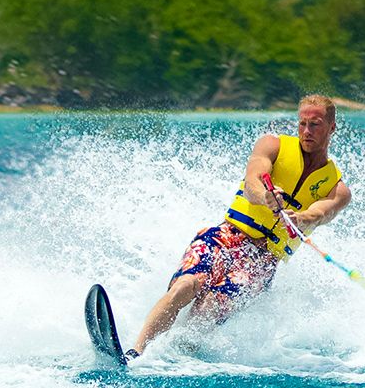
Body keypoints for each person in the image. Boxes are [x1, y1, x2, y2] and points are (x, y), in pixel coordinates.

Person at [126, 94, 352, 358]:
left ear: (332, 127)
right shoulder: (273, 145)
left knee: (206, 312)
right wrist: (265, 196)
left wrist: (302, 218)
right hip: (226, 237)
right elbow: (253, 180)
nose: (306, 131)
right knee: (184, 287)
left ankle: (172, 359)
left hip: (262, 261)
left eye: (315, 124)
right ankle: (135, 353)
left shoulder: (338, 189)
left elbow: (321, 212)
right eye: (302, 123)